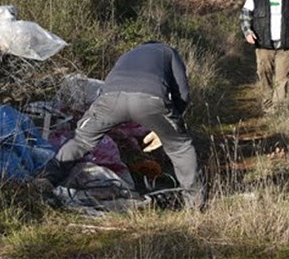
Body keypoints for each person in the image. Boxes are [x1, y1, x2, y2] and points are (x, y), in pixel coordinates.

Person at [34, 42, 203, 209]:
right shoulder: (168, 52)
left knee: (80, 140)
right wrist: (171, 123)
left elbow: (109, 82)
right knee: (181, 148)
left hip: (110, 100)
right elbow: (182, 92)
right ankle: (194, 205)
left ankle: (47, 180)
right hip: (151, 101)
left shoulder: (129, 53)